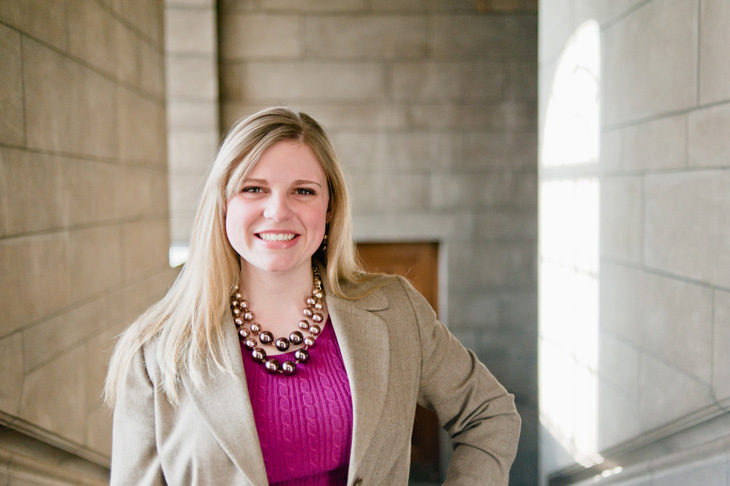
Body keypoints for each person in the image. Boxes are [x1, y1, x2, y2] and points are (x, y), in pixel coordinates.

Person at [104, 106, 521, 485]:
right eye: (253, 189)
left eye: (303, 191)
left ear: (330, 208)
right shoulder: (156, 353)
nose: (278, 211)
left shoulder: (396, 310)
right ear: (222, 206)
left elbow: (489, 413)